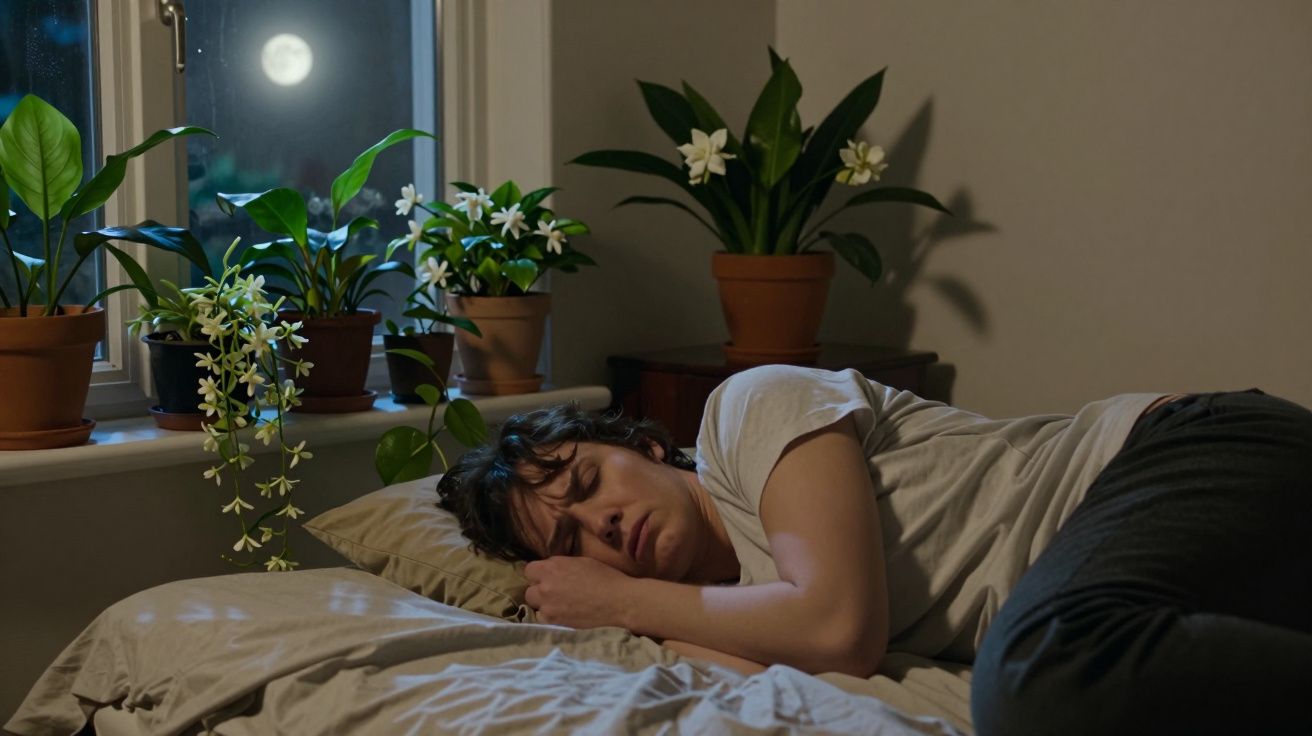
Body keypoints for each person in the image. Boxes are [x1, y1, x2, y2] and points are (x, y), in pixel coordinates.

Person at [436, 364, 1312, 735]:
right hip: (1180, 573)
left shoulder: (746, 413)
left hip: (1179, 454)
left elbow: (839, 627)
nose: (601, 524)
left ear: (646, 444)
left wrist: (624, 600)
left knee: (1039, 677)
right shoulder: (716, 611)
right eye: (571, 539)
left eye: (589, 482)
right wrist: (646, 623)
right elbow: (788, 685)